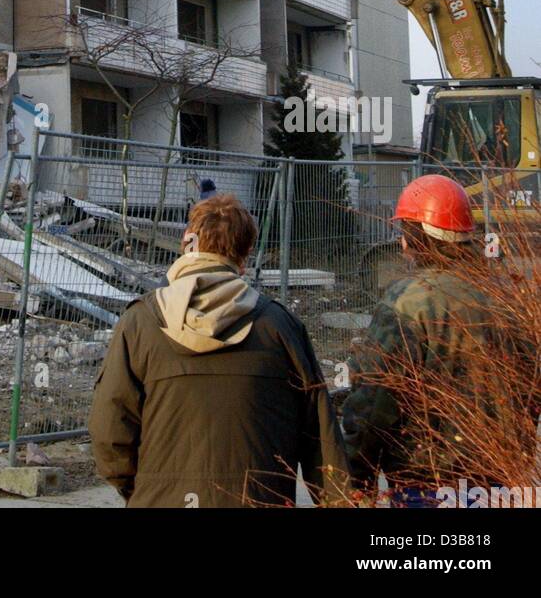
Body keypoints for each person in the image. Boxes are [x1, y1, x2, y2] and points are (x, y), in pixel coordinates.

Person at [88, 192, 348, 507]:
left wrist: (142, 489)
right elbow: (318, 434)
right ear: (245, 253)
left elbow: (110, 428)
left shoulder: (139, 323)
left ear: (188, 243)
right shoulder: (279, 326)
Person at [341, 173, 513, 506]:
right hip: (497, 477)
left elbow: (376, 399)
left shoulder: (408, 301)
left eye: (404, 232)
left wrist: (356, 471)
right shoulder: (502, 300)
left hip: (427, 482)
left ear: (415, 237)